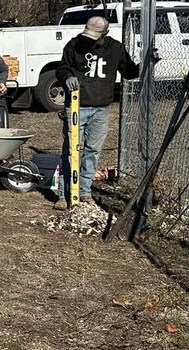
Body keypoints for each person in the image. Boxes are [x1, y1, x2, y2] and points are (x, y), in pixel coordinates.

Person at [54, 15, 141, 211]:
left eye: (94, 37)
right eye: (87, 35)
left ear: (105, 34)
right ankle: (64, 192)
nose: (88, 41)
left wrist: (147, 63)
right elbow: (62, 68)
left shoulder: (115, 49)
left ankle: (84, 191)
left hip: (101, 108)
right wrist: (67, 77)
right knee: (70, 150)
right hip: (76, 107)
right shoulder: (73, 45)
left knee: (92, 151)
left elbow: (129, 72)